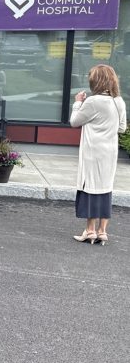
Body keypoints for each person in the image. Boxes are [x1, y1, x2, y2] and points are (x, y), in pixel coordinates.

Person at [70, 64, 127, 245]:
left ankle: (90, 230)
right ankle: (103, 231)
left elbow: (74, 122)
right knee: (105, 187)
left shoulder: (92, 101)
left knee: (90, 187)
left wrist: (78, 102)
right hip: (110, 151)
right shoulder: (118, 101)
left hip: (92, 151)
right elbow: (122, 128)